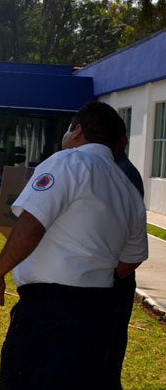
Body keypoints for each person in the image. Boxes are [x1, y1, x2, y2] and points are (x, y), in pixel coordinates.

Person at [0, 101, 149, 390]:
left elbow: (31, 225)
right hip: (99, 314)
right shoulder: (127, 189)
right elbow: (133, 257)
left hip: (50, 313)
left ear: (78, 131)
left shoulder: (67, 162)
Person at [107, 132, 145, 389]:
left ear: (121, 143)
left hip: (115, 276)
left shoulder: (122, 174)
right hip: (111, 275)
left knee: (108, 348)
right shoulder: (113, 169)